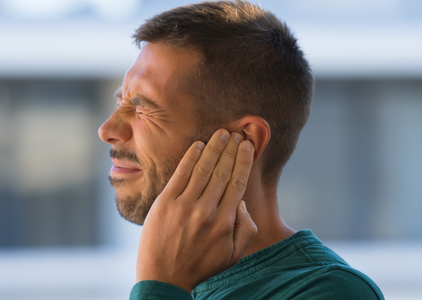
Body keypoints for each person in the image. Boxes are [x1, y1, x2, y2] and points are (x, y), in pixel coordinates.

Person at [98, 1, 384, 299]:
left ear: (244, 139)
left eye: (144, 109)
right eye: (121, 102)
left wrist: (160, 287)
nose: (107, 130)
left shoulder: (328, 292)